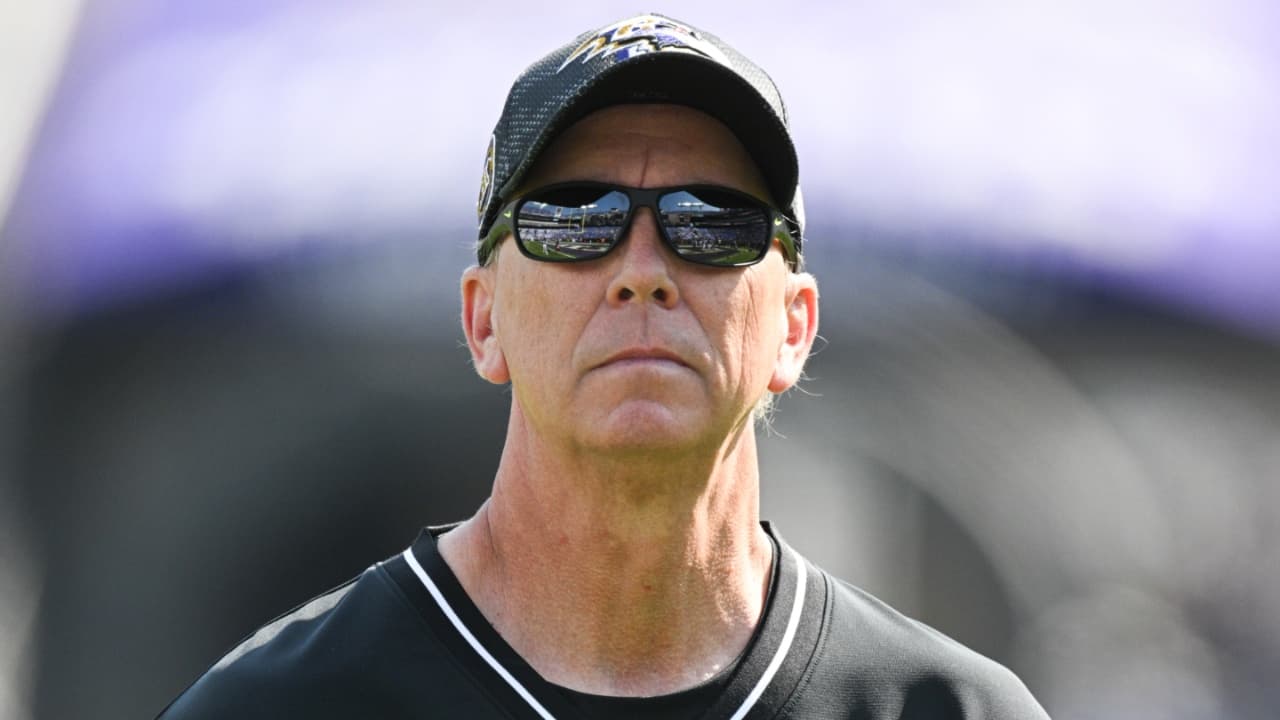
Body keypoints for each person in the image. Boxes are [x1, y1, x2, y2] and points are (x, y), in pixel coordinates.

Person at [159, 13, 1049, 719]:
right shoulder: (280, 704)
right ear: (482, 320)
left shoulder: (949, 709)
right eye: (575, 217)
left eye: (712, 222)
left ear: (794, 328)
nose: (642, 272)